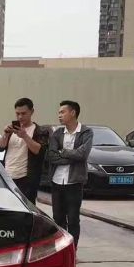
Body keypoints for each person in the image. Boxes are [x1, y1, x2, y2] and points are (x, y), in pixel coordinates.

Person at [47, 100, 93, 247]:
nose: (59, 115)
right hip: (57, 181)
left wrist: (63, 152)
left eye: (62, 112)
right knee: (58, 218)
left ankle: (73, 249)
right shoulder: (57, 133)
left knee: (73, 219)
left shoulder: (86, 132)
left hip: (74, 182)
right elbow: (51, 155)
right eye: (59, 112)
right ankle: (61, 249)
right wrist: (71, 157)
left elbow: (82, 154)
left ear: (73, 113)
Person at [0, 97, 49, 203]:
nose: (20, 117)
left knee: (26, 208)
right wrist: (6, 134)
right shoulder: (12, 130)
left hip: (26, 179)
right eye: (17, 114)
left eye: (23, 113)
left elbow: (39, 151)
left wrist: (24, 136)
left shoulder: (40, 130)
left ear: (32, 112)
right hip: (8, 176)